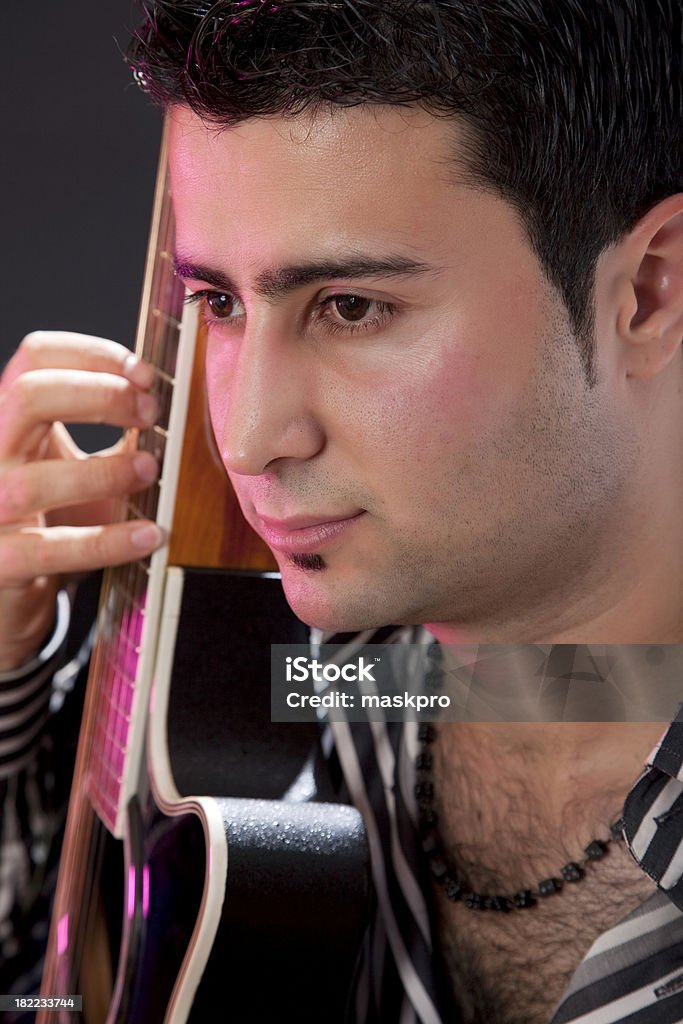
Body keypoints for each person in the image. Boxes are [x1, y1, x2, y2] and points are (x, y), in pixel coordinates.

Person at [0, 1, 682, 1021]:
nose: (243, 437)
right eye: (219, 302)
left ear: (647, 293)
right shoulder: (299, 685)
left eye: (351, 306)